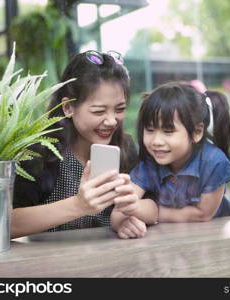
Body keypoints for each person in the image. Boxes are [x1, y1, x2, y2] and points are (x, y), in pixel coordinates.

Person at [11, 50, 147, 238]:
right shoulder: (38, 153)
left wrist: (129, 217)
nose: (112, 121)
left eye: (120, 109)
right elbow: (8, 224)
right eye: (99, 111)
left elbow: (150, 204)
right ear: (68, 107)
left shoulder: (126, 147)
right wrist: (78, 205)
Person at [111, 81, 230, 238]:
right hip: (170, 240)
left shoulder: (213, 161)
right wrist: (122, 223)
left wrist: (152, 212)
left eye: (168, 131)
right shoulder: (149, 164)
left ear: (197, 132)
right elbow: (120, 209)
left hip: (215, 237)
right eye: (150, 130)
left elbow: (202, 214)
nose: (156, 141)